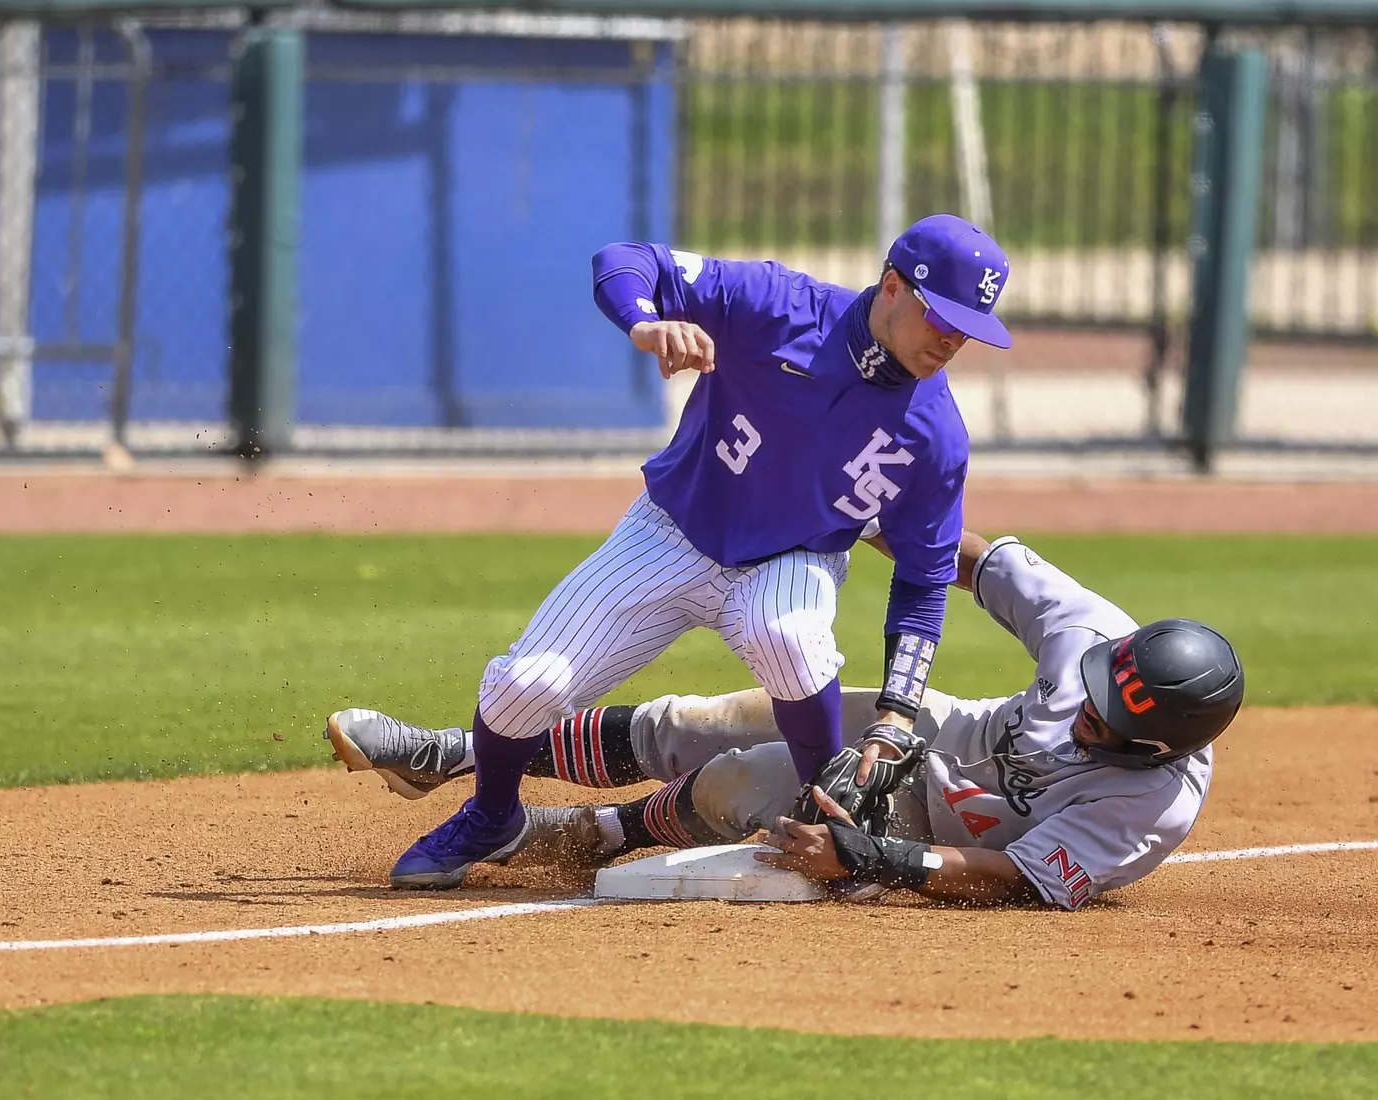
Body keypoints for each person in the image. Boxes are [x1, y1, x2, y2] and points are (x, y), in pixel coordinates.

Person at [332, 215, 1014, 889]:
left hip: (792, 559)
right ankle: (491, 816)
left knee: (789, 636)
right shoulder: (781, 305)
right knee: (523, 687)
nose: (954, 339)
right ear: (893, 286)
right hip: (671, 531)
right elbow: (628, 259)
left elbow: (924, 578)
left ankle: (826, 816)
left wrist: (896, 712)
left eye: (971, 327)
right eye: (943, 316)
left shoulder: (936, 435)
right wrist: (642, 321)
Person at [327, 529, 1244, 908]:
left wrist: (870, 856)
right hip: (936, 733)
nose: (1082, 708)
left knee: (745, 782)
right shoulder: (1097, 638)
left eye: (1103, 723)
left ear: (1154, 747)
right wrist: (866, 512)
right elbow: (969, 557)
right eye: (1090, 687)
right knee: (721, 716)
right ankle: (457, 755)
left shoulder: (1153, 808)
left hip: (940, 825)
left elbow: (1016, 875)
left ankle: (572, 834)